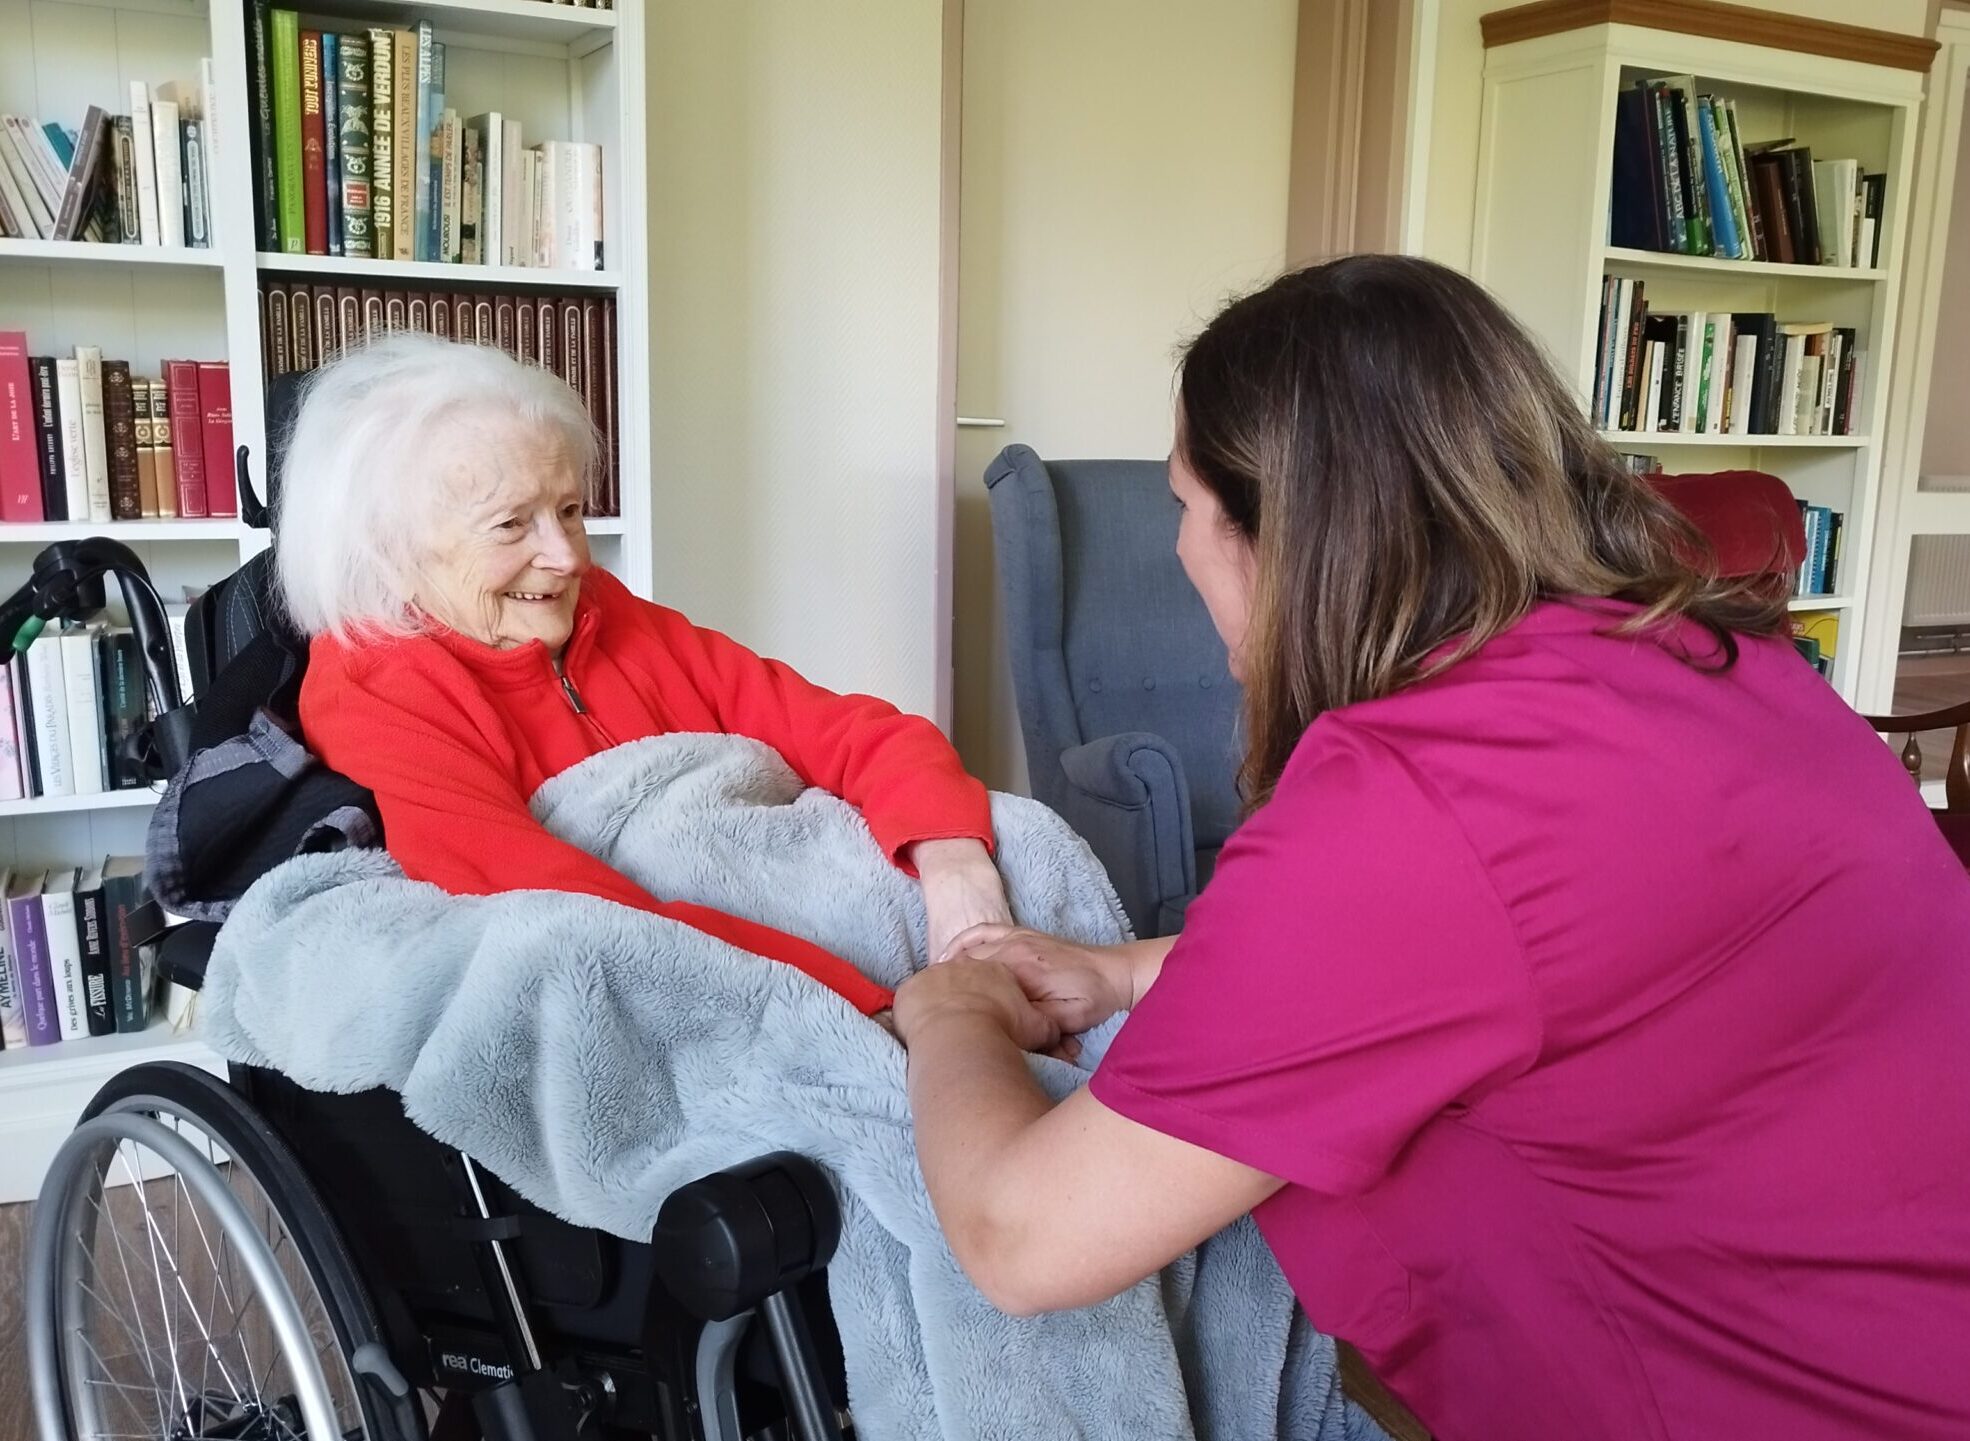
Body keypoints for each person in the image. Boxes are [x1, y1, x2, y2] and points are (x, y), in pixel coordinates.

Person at [893, 256, 1970, 1438]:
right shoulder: (1718, 655)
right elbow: (1507, 963)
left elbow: (1021, 1240)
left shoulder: (1413, 794)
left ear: (1278, 535)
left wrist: (951, 1018)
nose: (1183, 548)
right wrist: (1122, 972)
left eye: (1183, 506)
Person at [277, 333, 1009, 1017]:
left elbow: (850, 731)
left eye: (569, 510)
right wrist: (881, 1007)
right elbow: (576, 916)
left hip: (843, 950)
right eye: (511, 524)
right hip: (726, 1005)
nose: (568, 557)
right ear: (389, 553)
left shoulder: (609, 615)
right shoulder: (371, 687)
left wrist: (953, 863)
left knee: (1014, 838)